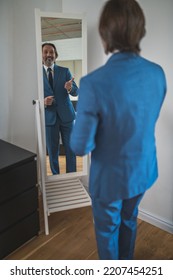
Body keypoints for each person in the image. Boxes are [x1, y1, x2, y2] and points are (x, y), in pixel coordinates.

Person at [70, 0, 167, 260]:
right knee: (129, 220)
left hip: (110, 179)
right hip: (143, 170)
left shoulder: (92, 84)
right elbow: (146, 120)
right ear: (139, 30)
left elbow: (80, 146)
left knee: (107, 231)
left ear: (105, 34)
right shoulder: (158, 73)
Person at [42, 42, 78, 175]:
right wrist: (43, 102)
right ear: (41, 55)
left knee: (70, 149)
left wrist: (70, 88)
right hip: (49, 118)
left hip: (67, 117)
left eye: (51, 52)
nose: (48, 54)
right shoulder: (36, 75)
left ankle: (72, 176)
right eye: (45, 52)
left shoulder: (65, 71)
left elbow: (76, 92)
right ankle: (55, 177)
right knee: (52, 151)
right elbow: (34, 98)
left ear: (55, 55)